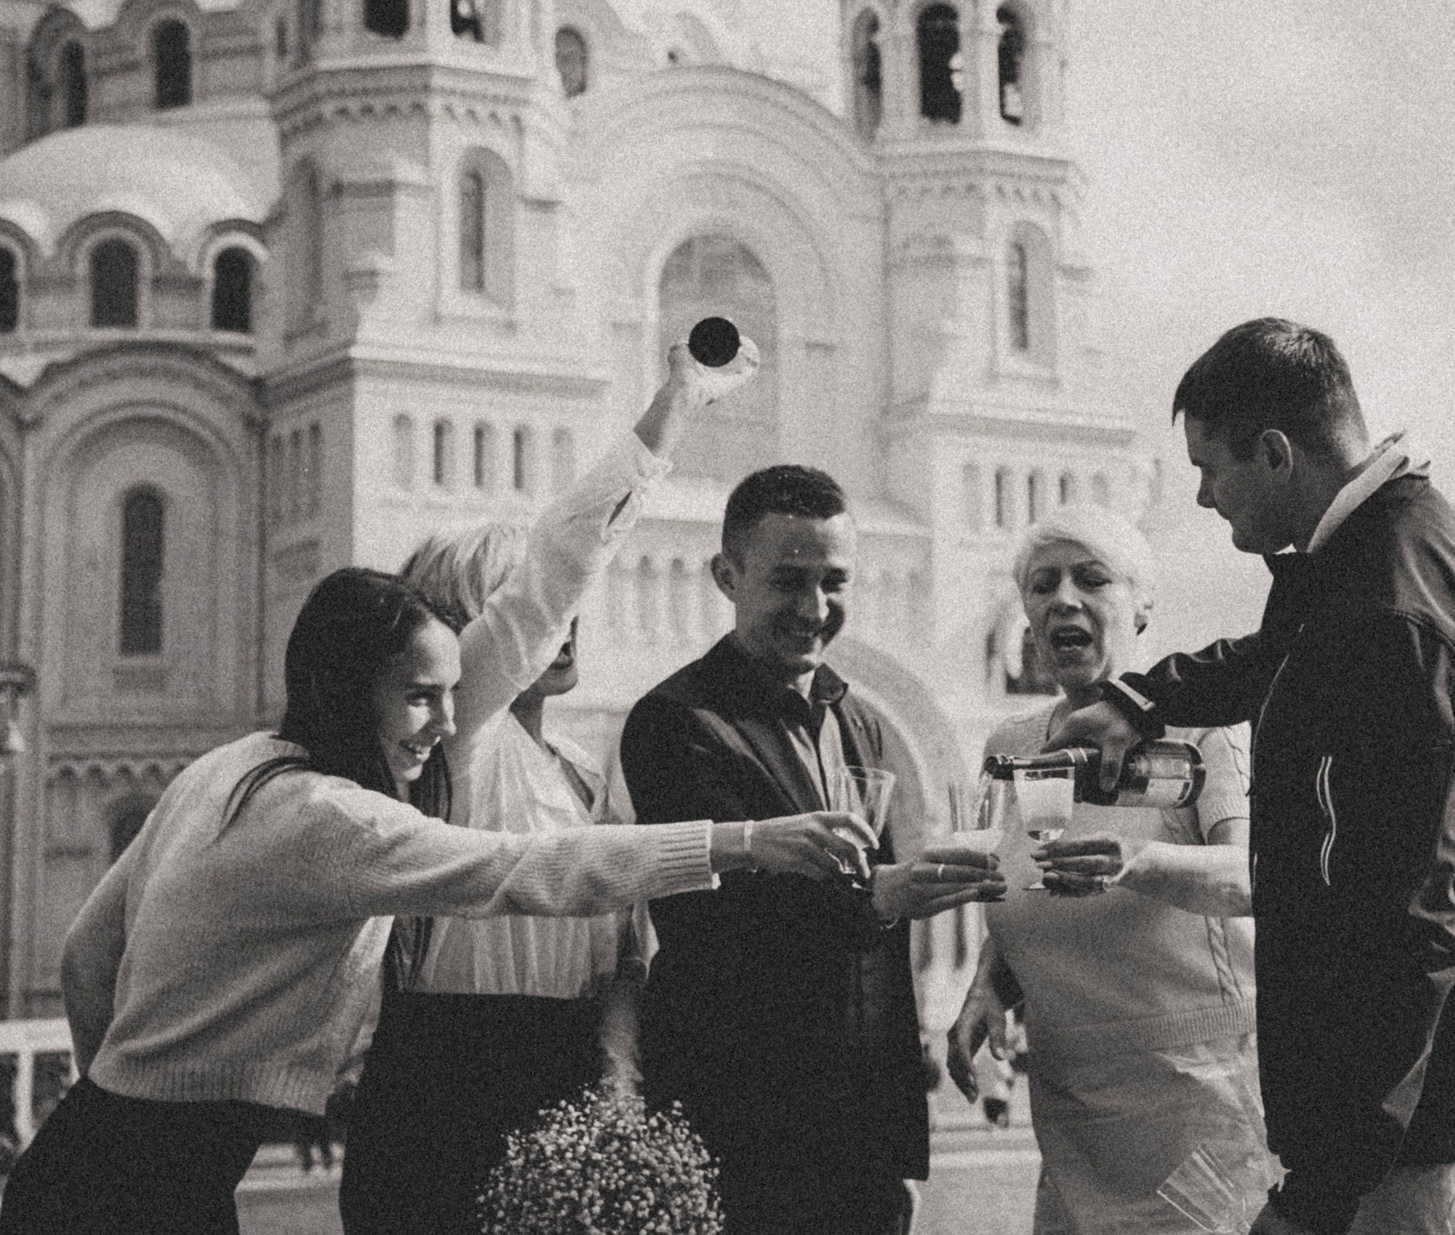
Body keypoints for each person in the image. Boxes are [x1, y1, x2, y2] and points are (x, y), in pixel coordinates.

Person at [0, 569, 868, 1235]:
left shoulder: (226, 768)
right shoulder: (328, 817)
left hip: (99, 1152)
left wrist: (122, 1088)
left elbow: (85, 952)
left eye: (453, 693)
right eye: (419, 695)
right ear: (349, 687)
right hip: (145, 1183)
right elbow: (523, 868)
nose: (447, 723)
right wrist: (746, 839)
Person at [1048, 318, 1455, 1235]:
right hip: (1426, 1104)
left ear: (1273, 453)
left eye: (1208, 468)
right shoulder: (1415, 547)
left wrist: (1320, 1192)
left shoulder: (1388, 608)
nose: (1202, 496)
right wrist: (1144, 695)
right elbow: (1288, 654)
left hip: (1405, 1134)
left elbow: (1407, 919)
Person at [337, 340, 754, 1235]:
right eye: (521, 603)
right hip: (447, 1081)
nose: (563, 623)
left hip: (566, 1075)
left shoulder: (578, 772)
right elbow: (552, 579)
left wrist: (615, 1078)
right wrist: (670, 413)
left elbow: (623, 957)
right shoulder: (449, 745)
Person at [621, 464, 1005, 1235]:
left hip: (857, 1141)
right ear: (726, 576)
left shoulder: (856, 718)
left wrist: (894, 1149)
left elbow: (881, 962)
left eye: (835, 581)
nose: (815, 608)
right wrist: (883, 896)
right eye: (788, 581)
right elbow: (711, 927)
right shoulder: (675, 721)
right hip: (744, 1131)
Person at [945, 504, 1270, 1232]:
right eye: (1041, 584)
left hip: (1198, 1099)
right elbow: (1030, 889)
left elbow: (1254, 877)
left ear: (1143, 604)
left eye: (1092, 578)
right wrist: (988, 985)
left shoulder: (1201, 726)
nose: (1063, 598)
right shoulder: (1013, 742)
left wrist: (1138, 861)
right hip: (1070, 1107)